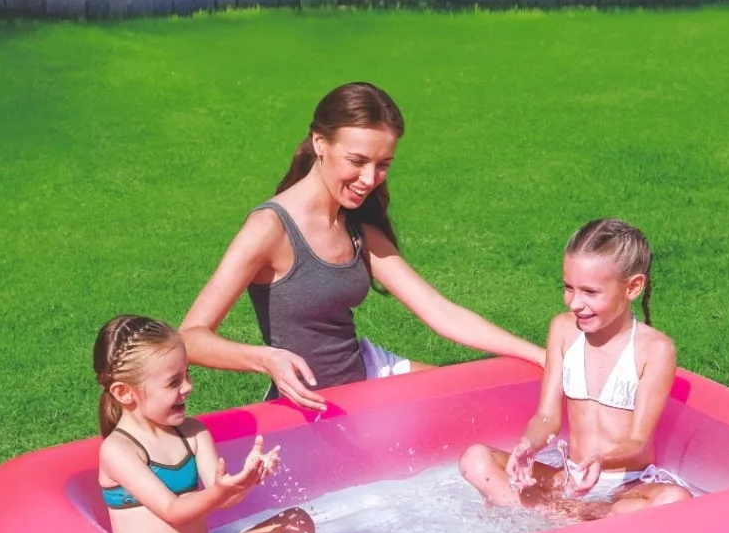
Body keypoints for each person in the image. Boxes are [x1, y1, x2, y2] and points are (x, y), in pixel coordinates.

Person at [180, 81, 545, 412]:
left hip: (369, 373)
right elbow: (189, 337)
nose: (370, 179)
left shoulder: (357, 229)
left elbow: (440, 312)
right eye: (357, 161)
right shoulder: (270, 229)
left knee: (486, 405)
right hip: (311, 403)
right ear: (320, 143)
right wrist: (265, 359)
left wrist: (543, 356)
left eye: (383, 164)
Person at [459, 219, 693, 519]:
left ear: (633, 287)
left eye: (590, 292)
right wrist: (529, 444)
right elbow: (547, 416)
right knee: (475, 460)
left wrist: (601, 459)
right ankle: (577, 520)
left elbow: (637, 441)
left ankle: (556, 518)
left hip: (626, 487)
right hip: (569, 479)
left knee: (675, 499)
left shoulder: (655, 349)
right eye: (568, 288)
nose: (575, 303)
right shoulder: (563, 330)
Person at [94, 315, 315, 533]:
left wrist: (246, 480)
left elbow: (223, 500)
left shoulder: (193, 433)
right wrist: (219, 490)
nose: (188, 387)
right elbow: (172, 510)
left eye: (188, 374)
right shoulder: (118, 449)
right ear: (124, 392)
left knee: (298, 523)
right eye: (173, 382)